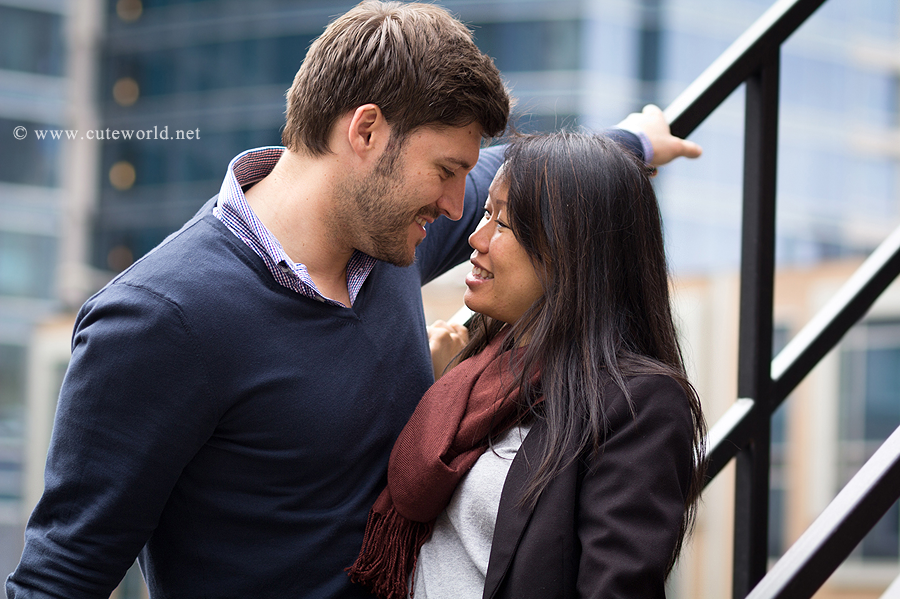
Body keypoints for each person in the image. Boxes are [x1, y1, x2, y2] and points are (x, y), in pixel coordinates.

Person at [6, 2, 701, 598]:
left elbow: (545, 197)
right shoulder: (160, 319)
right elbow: (62, 574)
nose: (459, 207)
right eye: (446, 171)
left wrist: (637, 140)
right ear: (365, 132)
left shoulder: (390, 230)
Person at [348, 132, 706, 599]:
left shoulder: (637, 405)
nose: (475, 239)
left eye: (504, 224)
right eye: (486, 214)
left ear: (572, 249)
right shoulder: (474, 371)